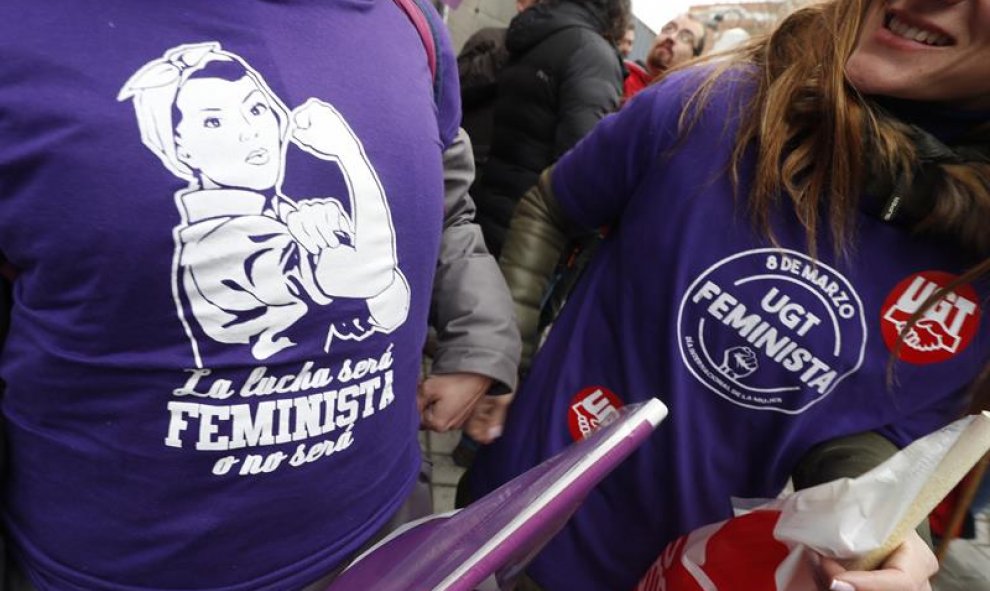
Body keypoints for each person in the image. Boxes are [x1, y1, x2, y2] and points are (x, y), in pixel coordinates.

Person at [467, 0, 990, 589]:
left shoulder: (976, 273)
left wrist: (882, 537)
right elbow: (555, 203)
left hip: (678, 572)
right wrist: (506, 357)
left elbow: (868, 434)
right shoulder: (712, 102)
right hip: (507, 522)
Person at [0, 1, 519, 590]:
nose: (252, 131)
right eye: (214, 122)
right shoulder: (219, 238)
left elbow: (435, 232)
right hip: (147, 572)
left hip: (390, 531)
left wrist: (481, 336)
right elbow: (368, 276)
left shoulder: (412, 23)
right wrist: (348, 157)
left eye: (256, 108)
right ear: (179, 150)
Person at [471, 0, 631, 257]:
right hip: (530, 240)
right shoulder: (591, 54)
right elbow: (581, 178)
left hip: (489, 212)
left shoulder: (543, 36)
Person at [458, 0, 540, 178]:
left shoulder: (549, 59)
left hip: (506, 173)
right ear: (522, 4)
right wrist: (508, 51)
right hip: (467, 161)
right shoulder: (490, 39)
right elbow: (457, 87)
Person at [623, 13, 706, 100]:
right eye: (669, 28)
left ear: (692, 60)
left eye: (685, 37)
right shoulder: (620, 72)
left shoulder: (678, 107)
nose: (671, 37)